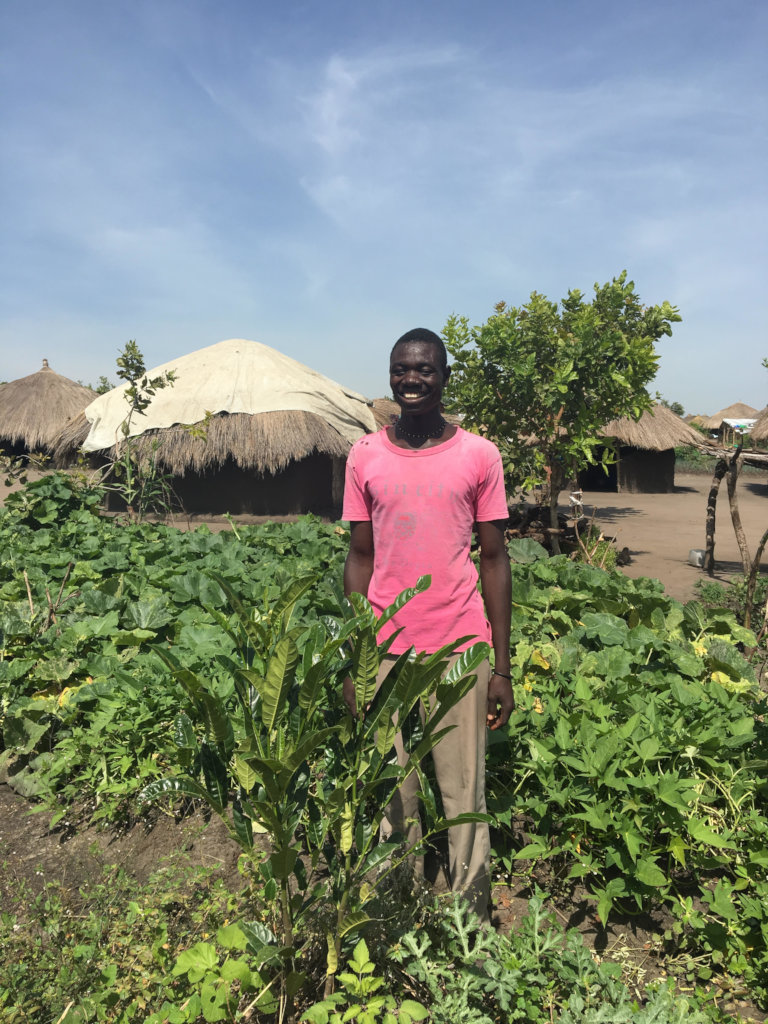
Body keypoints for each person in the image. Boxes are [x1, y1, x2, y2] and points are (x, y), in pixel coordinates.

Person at [342, 327, 513, 922]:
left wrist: (502, 668)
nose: (410, 381)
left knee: (463, 789)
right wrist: (354, 657)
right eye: (400, 370)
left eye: (424, 370)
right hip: (384, 651)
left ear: (444, 376)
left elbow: (494, 560)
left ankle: (470, 921)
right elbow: (360, 559)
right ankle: (398, 912)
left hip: (461, 648)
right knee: (393, 790)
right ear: (390, 375)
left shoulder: (479, 455)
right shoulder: (365, 455)